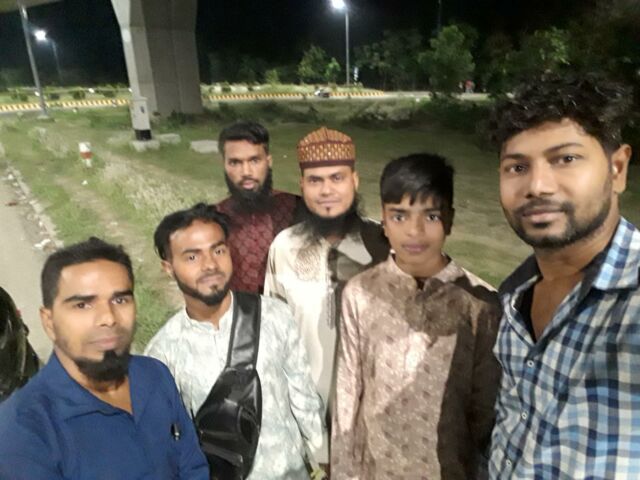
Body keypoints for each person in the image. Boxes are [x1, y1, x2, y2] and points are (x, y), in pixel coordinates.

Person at [487, 75, 638, 478]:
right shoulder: (513, 297)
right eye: (517, 167)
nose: (537, 186)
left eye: (565, 159)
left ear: (617, 169)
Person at [331, 154, 501, 479]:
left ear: (450, 219)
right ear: (383, 220)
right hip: (375, 470)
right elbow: (347, 397)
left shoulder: (479, 303)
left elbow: (484, 410)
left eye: (431, 216)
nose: (414, 231)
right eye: (399, 216)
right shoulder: (360, 293)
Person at [0, 237, 208, 480]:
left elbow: (193, 467)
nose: (108, 317)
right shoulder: (23, 430)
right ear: (49, 322)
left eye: (120, 300)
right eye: (82, 305)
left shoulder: (154, 374)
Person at [145, 203, 324, 479]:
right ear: (168, 267)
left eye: (218, 250)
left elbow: (305, 398)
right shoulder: (163, 353)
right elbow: (172, 442)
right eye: (192, 257)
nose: (210, 265)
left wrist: (323, 459)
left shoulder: (273, 316)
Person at [264, 126, 389, 463]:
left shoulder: (385, 245)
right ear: (302, 185)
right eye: (315, 180)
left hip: (376, 421)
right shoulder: (284, 248)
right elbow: (274, 337)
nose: (326, 190)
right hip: (309, 420)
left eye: (337, 178)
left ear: (355, 181)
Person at [216, 121, 302, 294]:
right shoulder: (214, 218)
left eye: (254, 160)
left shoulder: (298, 208)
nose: (246, 172)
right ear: (224, 165)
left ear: (268, 161)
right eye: (235, 162)